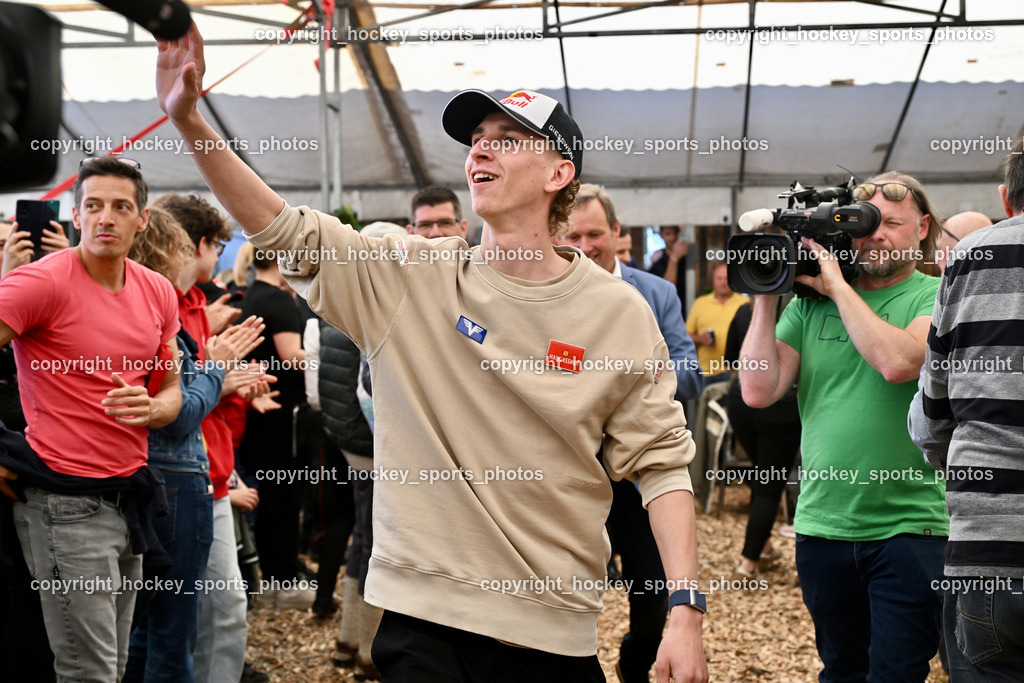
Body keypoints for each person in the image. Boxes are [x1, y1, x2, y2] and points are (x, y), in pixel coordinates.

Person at [157, 26, 707, 683]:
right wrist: (188, 121)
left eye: (507, 140)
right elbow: (284, 230)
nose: (480, 151)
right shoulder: (410, 274)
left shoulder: (618, 313)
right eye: (476, 140)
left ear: (560, 174)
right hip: (423, 621)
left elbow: (662, 462)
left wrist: (685, 611)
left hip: (552, 627)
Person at [739, 171, 948, 682]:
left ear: (922, 228)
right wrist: (768, 290)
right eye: (862, 224)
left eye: (891, 223)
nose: (875, 235)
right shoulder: (810, 306)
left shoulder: (935, 295)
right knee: (840, 671)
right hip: (823, 527)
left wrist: (837, 285)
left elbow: (899, 362)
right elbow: (757, 390)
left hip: (910, 527)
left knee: (895, 674)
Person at [0, 155, 183, 681]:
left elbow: (171, 387)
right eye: (94, 206)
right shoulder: (39, 283)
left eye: (121, 207)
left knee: (112, 668)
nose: (107, 217)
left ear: (141, 219)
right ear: (76, 216)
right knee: (91, 674)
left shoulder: (157, 289)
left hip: (131, 498)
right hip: (64, 504)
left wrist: (154, 409)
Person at [558, 183, 702, 682]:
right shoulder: (545, 292)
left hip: (640, 478)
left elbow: (691, 370)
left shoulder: (656, 293)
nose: (584, 245)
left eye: (594, 233)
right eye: (571, 234)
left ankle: (636, 662)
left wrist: (637, 376)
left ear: (618, 234)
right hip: (570, 479)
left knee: (652, 592)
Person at [124, 206, 264, 682]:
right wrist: (217, 367)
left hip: (179, 476)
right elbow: (180, 413)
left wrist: (217, 375)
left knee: (148, 625)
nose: (194, 260)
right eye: (186, 249)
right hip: (178, 482)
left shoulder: (169, 309)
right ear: (169, 253)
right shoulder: (162, 316)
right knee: (173, 631)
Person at [909, 139, 1024, 680]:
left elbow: (933, 410)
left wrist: (949, 458)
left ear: (1006, 197)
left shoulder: (974, 258)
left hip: (989, 551)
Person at [722, 302, 800, 579]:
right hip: (782, 406)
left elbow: (731, 359)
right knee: (769, 485)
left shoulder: (746, 310)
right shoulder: (802, 309)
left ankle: (763, 545)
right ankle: (749, 563)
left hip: (740, 402)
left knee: (762, 477)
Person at [686, 262, 747, 382]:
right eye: (719, 278)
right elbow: (685, 335)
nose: (723, 283)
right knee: (705, 401)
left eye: (726, 278)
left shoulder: (744, 303)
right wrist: (699, 338)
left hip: (737, 372)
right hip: (706, 371)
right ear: (712, 280)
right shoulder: (700, 303)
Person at [648, 225, 688, 309]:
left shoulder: (688, 260)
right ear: (661, 235)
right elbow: (667, 288)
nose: (673, 237)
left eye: (675, 233)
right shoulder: (657, 265)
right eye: (668, 234)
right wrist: (674, 258)